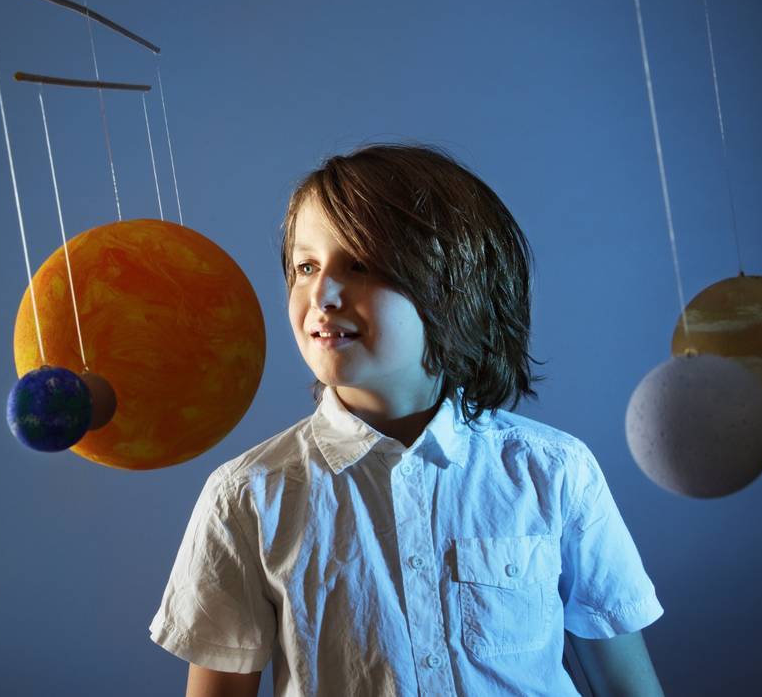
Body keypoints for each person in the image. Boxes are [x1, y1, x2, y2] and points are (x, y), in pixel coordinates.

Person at [149, 143, 665, 696]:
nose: (321, 292)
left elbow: (628, 686)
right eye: (305, 266)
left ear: (453, 284)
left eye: (360, 264)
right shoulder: (247, 497)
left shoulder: (555, 471)